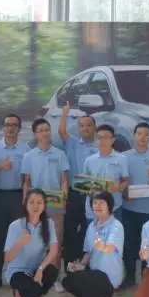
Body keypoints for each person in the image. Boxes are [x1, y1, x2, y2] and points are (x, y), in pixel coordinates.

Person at [21, 118, 69, 292]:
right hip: (36, 208)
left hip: (56, 206)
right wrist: (26, 203)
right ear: (35, 134)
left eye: (47, 129)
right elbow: (26, 182)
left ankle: (54, 278)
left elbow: (64, 180)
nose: (44, 133)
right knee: (36, 243)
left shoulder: (60, 154)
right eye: (40, 130)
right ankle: (36, 275)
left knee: (56, 242)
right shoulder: (28, 156)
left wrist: (64, 197)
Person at [0, 114, 29, 292]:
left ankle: (18, 276)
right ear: (3, 128)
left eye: (14, 125)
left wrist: (26, 199)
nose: (10, 128)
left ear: (19, 128)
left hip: (18, 197)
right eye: (7, 125)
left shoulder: (26, 149)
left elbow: (27, 177)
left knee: (19, 237)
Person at [62, 191, 124, 297]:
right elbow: (88, 252)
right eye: (95, 203)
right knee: (68, 280)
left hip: (109, 275)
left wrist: (101, 246)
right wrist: (80, 265)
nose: (98, 206)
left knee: (88, 280)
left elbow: (110, 247)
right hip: (95, 272)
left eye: (101, 203)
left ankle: (105, 295)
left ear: (109, 205)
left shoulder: (116, 225)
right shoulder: (91, 226)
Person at [121, 123, 149, 289]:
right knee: (129, 244)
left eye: (146, 134)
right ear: (134, 135)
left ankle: (147, 278)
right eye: (139, 133)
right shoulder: (123, 157)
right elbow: (121, 180)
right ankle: (130, 276)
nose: (142, 137)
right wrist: (125, 194)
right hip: (128, 207)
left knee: (147, 245)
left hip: (148, 209)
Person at [4, 189, 59, 297]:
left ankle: (38, 295)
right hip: (18, 272)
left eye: (39, 203)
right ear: (26, 204)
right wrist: (19, 243)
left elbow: (54, 251)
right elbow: (7, 258)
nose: (35, 206)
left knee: (52, 272)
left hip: (36, 269)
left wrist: (41, 269)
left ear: (44, 205)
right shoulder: (15, 226)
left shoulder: (48, 223)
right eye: (32, 202)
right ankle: (24, 292)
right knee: (30, 288)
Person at [58, 101, 98, 270]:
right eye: (81, 126)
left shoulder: (100, 147)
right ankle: (69, 268)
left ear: (94, 128)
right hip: (74, 194)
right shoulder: (73, 143)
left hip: (93, 196)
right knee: (70, 231)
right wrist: (65, 113)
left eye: (88, 125)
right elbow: (61, 131)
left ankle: (86, 267)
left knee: (89, 231)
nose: (85, 128)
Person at [82, 124, 129, 223]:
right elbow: (84, 183)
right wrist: (89, 189)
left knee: (114, 233)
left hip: (114, 207)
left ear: (113, 140)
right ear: (96, 139)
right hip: (93, 208)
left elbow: (125, 180)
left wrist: (119, 187)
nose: (102, 140)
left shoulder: (122, 159)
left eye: (106, 137)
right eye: (99, 137)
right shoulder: (89, 160)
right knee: (92, 233)